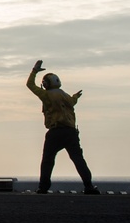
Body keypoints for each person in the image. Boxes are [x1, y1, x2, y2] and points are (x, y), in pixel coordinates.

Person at [26, 60, 99, 194]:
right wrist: (76, 96)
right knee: (78, 159)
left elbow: (29, 85)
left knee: (48, 160)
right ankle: (89, 186)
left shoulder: (45, 94)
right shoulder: (64, 95)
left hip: (55, 132)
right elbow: (72, 102)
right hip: (70, 132)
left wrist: (34, 71)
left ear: (46, 84)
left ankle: (43, 187)